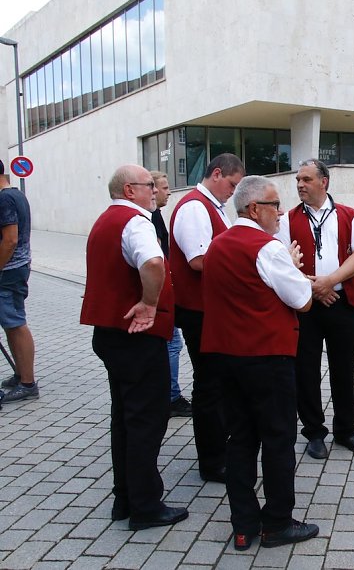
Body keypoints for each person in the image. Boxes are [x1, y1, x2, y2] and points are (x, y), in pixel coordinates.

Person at [201, 176, 318, 550]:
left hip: (226, 357)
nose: (280, 212)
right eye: (274, 205)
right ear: (255, 209)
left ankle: (243, 524)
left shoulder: (217, 245)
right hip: (267, 358)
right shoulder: (267, 248)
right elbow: (302, 300)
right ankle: (278, 522)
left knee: (240, 440)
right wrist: (296, 267)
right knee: (278, 439)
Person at [80, 164, 188, 529]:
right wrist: (150, 302)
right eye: (149, 186)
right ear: (130, 190)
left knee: (125, 417)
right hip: (137, 335)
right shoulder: (136, 221)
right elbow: (154, 263)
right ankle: (145, 505)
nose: (155, 191)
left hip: (110, 333)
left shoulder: (104, 220)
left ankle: (124, 497)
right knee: (146, 419)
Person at [279, 158, 354, 460]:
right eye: (298, 181)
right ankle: (314, 432)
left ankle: (346, 431)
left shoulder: (348, 215)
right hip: (305, 306)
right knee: (305, 371)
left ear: (324, 182)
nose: (300, 185)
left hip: (343, 303)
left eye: (306, 179)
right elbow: (280, 261)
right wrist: (314, 289)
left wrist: (330, 281)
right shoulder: (287, 220)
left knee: (344, 370)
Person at [170, 153, 246, 483]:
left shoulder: (212, 207)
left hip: (212, 309)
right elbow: (199, 259)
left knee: (218, 383)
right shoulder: (193, 207)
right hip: (199, 311)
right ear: (216, 174)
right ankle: (212, 461)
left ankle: (220, 448)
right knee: (209, 385)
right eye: (231, 184)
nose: (233, 191)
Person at [149, 171, 191, 417]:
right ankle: (170, 396)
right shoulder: (152, 217)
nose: (168, 192)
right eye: (164, 187)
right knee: (172, 342)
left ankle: (165, 393)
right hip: (161, 293)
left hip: (161, 291)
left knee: (169, 343)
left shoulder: (156, 216)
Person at [0, 159, 37, 403]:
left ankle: (27, 383)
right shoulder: (16, 194)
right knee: (11, 323)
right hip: (16, 269)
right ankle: (21, 374)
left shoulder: (4, 199)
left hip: (9, 271)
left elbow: (10, 239)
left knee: (15, 323)